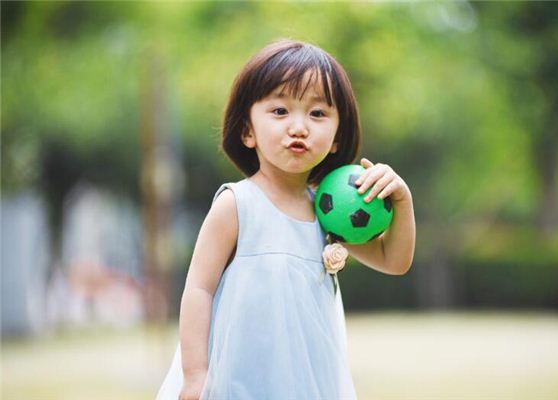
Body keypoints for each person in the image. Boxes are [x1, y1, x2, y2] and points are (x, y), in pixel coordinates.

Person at [156, 39, 416, 400]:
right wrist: (196, 374)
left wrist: (402, 199)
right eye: (280, 111)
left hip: (306, 378)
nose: (299, 127)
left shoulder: (331, 211)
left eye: (317, 114)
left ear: (337, 137)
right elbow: (199, 289)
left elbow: (394, 260)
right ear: (247, 131)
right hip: (239, 375)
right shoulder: (237, 204)